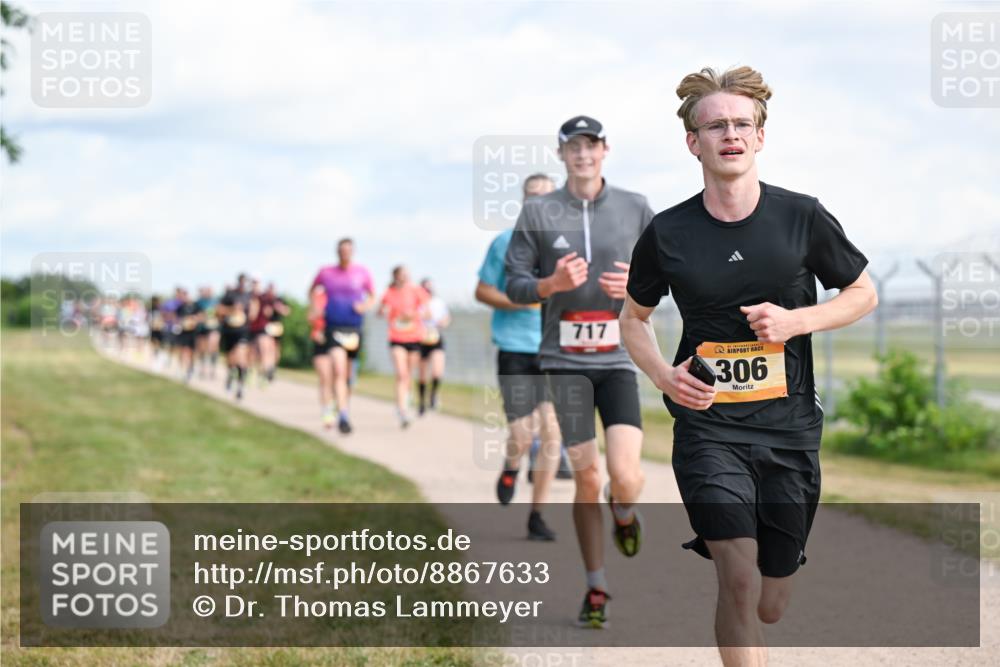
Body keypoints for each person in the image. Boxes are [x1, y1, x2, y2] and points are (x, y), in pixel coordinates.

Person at [620, 66, 876, 665]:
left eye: (742, 124)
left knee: (770, 599)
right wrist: (664, 376)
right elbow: (633, 319)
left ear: (760, 137)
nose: (730, 134)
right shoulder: (667, 232)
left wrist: (796, 321)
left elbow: (862, 294)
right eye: (715, 126)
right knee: (736, 576)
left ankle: (781, 570)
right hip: (709, 426)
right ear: (694, 143)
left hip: (788, 428)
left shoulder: (802, 217)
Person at [505, 116, 654, 627]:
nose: (583, 154)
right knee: (587, 476)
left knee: (626, 476)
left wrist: (637, 288)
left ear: (605, 150)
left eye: (591, 145)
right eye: (574, 147)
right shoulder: (539, 211)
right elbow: (516, 285)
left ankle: (626, 512)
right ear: (562, 154)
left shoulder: (636, 208)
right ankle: (596, 587)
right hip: (564, 364)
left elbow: (667, 279)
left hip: (616, 360)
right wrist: (551, 284)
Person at [476, 173, 564, 542]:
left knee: (553, 434)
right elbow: (482, 291)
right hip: (514, 348)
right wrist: (522, 298)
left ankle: (537, 516)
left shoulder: (565, 247)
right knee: (522, 435)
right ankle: (511, 465)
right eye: (532, 197)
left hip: (555, 349)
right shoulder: (504, 243)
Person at [310, 238, 376, 433]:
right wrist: (316, 308)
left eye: (348, 250)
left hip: (354, 329)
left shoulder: (362, 272)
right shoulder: (326, 273)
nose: (345, 253)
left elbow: (372, 295)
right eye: (342, 250)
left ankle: (342, 406)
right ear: (337, 252)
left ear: (353, 252)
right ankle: (343, 416)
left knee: (348, 377)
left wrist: (364, 306)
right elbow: (311, 291)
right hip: (333, 327)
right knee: (336, 371)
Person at [378, 265, 429, 429]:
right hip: (396, 337)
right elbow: (381, 311)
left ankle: (405, 400)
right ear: (395, 276)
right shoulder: (389, 292)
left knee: (408, 374)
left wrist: (413, 315)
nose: (404, 277)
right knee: (401, 373)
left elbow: (427, 312)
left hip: (414, 337)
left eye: (407, 274)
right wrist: (384, 311)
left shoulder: (416, 291)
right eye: (401, 275)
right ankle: (402, 410)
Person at [217, 273, 255, 400]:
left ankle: (240, 386)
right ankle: (230, 375)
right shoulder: (230, 294)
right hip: (229, 330)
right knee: (230, 358)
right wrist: (232, 310)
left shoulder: (250, 297)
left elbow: (253, 315)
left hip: (243, 331)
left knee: (241, 357)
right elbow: (219, 310)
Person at [417, 278, 450, 416]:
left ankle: (433, 395)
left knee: (437, 371)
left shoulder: (439, 302)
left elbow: (447, 318)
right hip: (421, 339)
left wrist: (443, 322)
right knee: (423, 374)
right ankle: (421, 402)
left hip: (435, 337)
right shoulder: (417, 303)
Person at [173, 287, 202, 382]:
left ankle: (190, 369)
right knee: (183, 350)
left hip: (193, 332)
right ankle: (181, 369)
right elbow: (176, 318)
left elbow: (201, 316)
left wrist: (195, 319)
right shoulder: (180, 307)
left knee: (191, 352)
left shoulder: (195, 305)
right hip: (183, 332)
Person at [194, 286, 220, 379]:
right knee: (202, 349)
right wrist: (200, 317)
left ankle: (213, 369)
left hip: (213, 328)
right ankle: (203, 368)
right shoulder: (199, 302)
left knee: (213, 347)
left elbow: (220, 314)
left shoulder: (216, 301)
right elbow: (196, 315)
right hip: (202, 329)